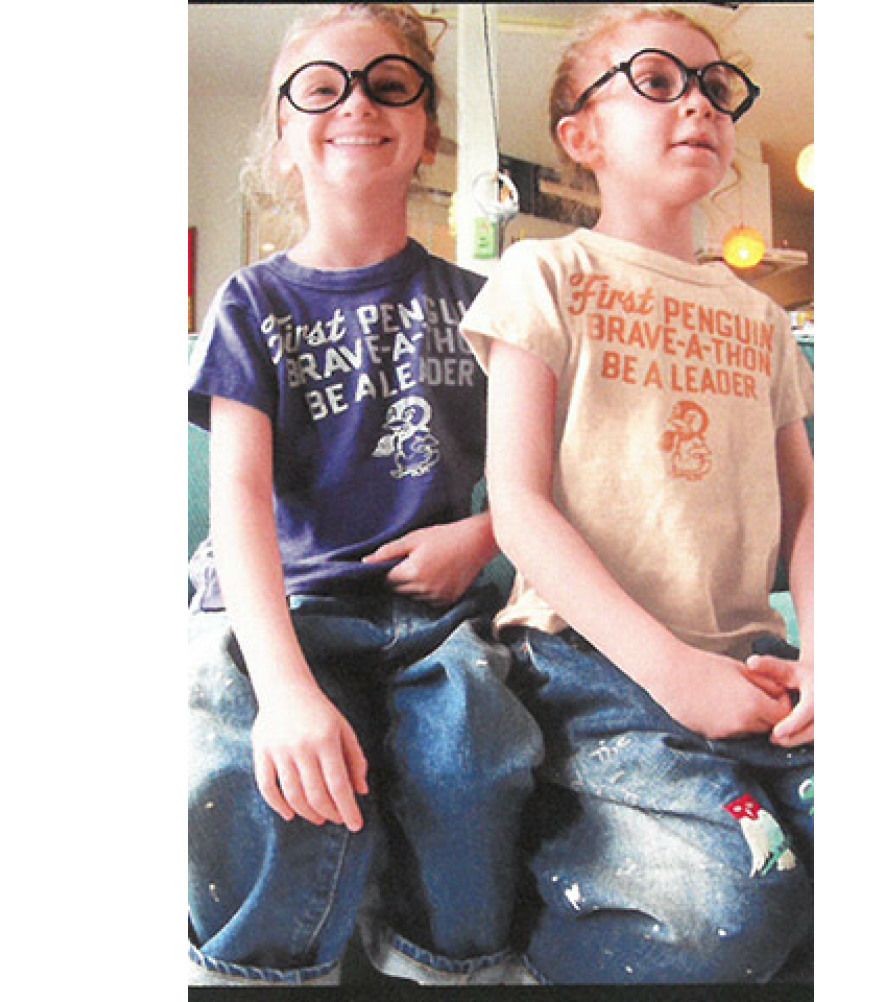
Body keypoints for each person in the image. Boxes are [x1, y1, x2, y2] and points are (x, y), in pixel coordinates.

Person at [187, 3, 541, 987]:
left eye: (390, 86)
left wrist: (484, 533)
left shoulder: (485, 304)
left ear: (427, 131)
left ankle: (447, 967)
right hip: (284, 606)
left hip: (434, 618)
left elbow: (546, 477)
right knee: (255, 780)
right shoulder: (251, 303)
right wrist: (285, 690)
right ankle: (254, 974)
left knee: (474, 759)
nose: (357, 105)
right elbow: (239, 498)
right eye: (323, 88)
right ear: (283, 135)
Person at [459, 4, 814, 985]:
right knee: (728, 907)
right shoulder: (545, 273)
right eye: (657, 81)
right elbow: (519, 504)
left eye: (715, 88)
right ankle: (550, 907)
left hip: (753, 664)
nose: (698, 104)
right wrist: (672, 670)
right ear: (583, 136)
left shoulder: (762, 317)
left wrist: (827, 653)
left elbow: (811, 510)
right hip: (590, 666)